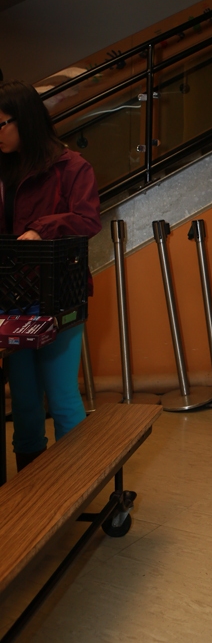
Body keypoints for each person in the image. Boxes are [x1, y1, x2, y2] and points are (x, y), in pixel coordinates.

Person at [0, 81, 102, 471]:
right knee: (24, 402)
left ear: (24, 120)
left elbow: (87, 219)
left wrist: (42, 228)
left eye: (2, 124)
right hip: (13, 297)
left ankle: (73, 485)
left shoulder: (71, 166)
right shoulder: (3, 169)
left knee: (61, 397)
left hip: (59, 295)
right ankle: (32, 490)